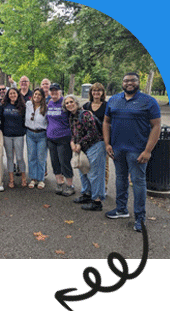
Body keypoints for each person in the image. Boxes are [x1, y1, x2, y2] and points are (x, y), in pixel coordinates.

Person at [103, 72, 161, 232]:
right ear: (122, 83)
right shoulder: (114, 100)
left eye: (133, 80)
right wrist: (107, 143)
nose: (129, 83)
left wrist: (148, 150)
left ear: (138, 82)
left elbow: (156, 126)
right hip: (118, 149)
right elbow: (106, 122)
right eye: (126, 80)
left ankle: (140, 219)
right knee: (120, 179)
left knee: (138, 183)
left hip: (138, 151)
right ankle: (121, 209)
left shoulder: (149, 101)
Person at [64, 94, 106, 211]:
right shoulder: (72, 117)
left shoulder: (85, 114)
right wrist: (72, 142)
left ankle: (97, 202)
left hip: (95, 145)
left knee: (95, 174)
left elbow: (92, 132)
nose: (69, 104)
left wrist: (79, 143)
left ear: (76, 103)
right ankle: (86, 194)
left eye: (71, 102)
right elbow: (74, 133)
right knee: (83, 171)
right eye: (67, 103)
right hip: (83, 148)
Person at [46, 83, 74, 196]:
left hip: (64, 138)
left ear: (60, 92)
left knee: (64, 162)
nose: (53, 93)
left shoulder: (65, 103)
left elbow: (73, 116)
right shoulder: (50, 103)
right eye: (51, 91)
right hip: (51, 138)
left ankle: (70, 185)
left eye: (56, 91)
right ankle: (59, 183)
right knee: (55, 162)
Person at [83, 82, 108, 192]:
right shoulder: (86, 106)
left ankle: (104, 187)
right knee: (89, 164)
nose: (96, 92)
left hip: (102, 139)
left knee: (103, 165)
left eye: (99, 90)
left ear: (102, 93)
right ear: (91, 92)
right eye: (94, 90)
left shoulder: (107, 106)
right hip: (89, 140)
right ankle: (92, 186)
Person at [1, 88, 27, 188]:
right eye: (10, 93)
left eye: (14, 93)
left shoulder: (22, 106)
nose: (12, 95)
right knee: (10, 158)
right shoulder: (4, 106)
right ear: (8, 95)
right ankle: (11, 180)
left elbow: (26, 119)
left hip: (18, 135)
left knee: (20, 157)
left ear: (18, 94)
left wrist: (23, 131)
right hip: (7, 135)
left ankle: (23, 178)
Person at [25, 88, 48, 189]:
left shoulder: (46, 107)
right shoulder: (28, 105)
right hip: (30, 133)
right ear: (32, 95)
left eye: (39, 94)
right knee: (31, 157)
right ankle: (33, 178)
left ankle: (41, 179)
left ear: (42, 97)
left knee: (41, 158)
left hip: (42, 135)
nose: (37, 96)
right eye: (35, 94)